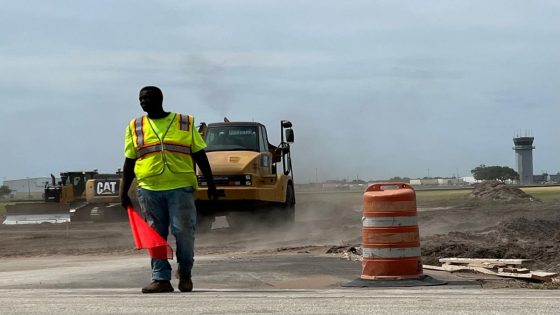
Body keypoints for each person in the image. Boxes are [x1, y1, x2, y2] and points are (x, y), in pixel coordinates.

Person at [120, 86, 217, 293]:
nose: (143, 102)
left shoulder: (184, 122)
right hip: (148, 188)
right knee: (155, 234)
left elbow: (200, 155)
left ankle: (185, 271)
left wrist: (211, 184)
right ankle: (161, 278)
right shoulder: (135, 126)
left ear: (160, 99)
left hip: (180, 188)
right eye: (141, 99)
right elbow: (129, 161)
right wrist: (123, 192)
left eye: (148, 98)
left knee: (183, 232)